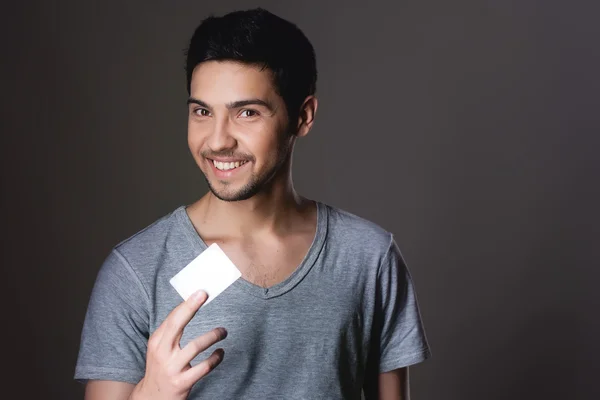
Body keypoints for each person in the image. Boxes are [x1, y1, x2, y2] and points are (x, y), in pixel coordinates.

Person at [74, 8, 431, 400]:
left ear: (303, 116)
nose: (218, 141)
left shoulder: (369, 257)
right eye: (202, 112)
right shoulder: (136, 270)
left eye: (247, 113)